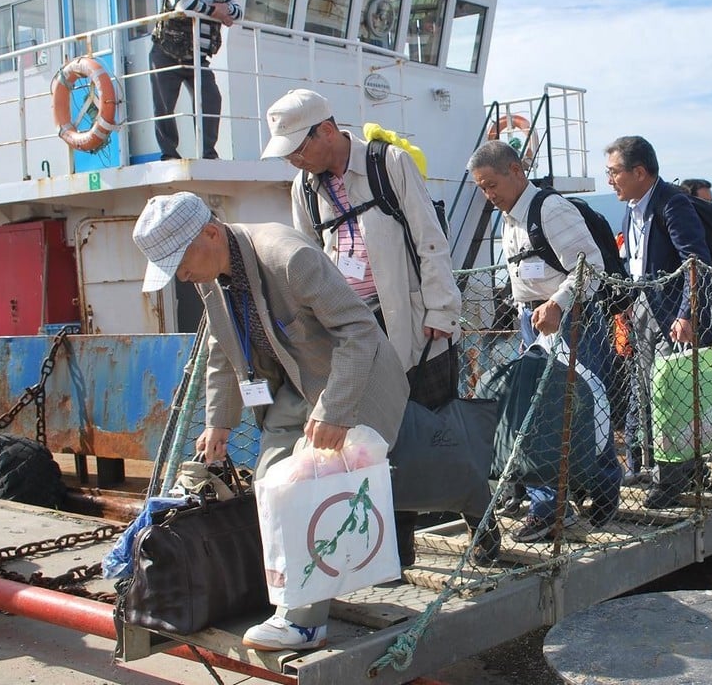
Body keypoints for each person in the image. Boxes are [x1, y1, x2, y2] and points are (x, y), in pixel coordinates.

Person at [131, 192, 408, 652]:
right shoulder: (210, 277)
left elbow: (359, 331)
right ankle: (290, 590)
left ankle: (303, 623)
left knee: (302, 487)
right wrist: (218, 421)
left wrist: (335, 411)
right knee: (269, 486)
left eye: (179, 261)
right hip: (292, 390)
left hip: (349, 383)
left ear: (211, 233)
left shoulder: (289, 257)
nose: (180, 275)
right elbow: (222, 347)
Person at [259, 89, 472, 564]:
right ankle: (398, 555)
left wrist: (441, 313)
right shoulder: (305, 188)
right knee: (380, 442)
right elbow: (310, 260)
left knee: (441, 431)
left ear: (328, 130)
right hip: (358, 338)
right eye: (289, 152)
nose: (295, 159)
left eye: (300, 146)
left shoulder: (388, 164)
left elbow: (429, 240)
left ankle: (483, 519)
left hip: (415, 326)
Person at [468, 140, 622, 540]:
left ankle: (601, 489)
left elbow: (591, 266)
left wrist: (557, 303)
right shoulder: (509, 214)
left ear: (516, 171)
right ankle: (550, 506)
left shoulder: (550, 209)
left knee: (584, 406)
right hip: (532, 321)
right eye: (481, 188)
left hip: (568, 320)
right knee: (534, 415)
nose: (489, 195)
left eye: (491, 185)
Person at [607, 136, 712, 508]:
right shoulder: (630, 210)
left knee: (670, 396)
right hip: (642, 309)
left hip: (670, 313)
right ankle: (688, 468)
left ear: (639, 171)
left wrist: (687, 313)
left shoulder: (672, 204)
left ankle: (670, 481)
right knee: (652, 395)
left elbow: (694, 261)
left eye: (614, 172)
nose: (610, 180)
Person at [150, 0, 242, 161]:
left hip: (198, 58)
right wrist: (217, 11)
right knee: (164, 104)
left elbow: (238, 12)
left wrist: (223, 10)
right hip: (167, 53)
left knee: (211, 98)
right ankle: (169, 154)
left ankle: (208, 152)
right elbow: (184, 4)